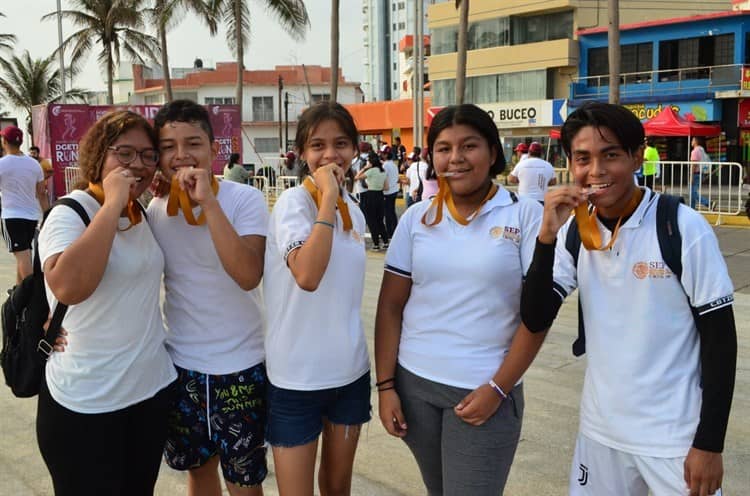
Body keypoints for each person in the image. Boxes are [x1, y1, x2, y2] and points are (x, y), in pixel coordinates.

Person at [523, 101, 737, 496]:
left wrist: (709, 443)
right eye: (583, 158)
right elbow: (535, 316)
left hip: (673, 440)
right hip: (600, 435)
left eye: (611, 155)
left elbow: (721, 340)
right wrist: (546, 236)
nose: (597, 171)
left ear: (638, 156)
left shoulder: (682, 227)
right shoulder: (576, 231)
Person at [375, 104, 546, 495]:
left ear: (492, 151)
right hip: (415, 387)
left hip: (482, 391)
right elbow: (390, 306)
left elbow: (537, 317)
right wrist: (386, 387)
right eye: (443, 148)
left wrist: (499, 389)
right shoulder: (416, 218)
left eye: (469, 146)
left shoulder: (525, 216)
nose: (455, 159)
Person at [36, 110, 177, 495]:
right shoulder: (71, 211)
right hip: (86, 401)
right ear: (99, 156)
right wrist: (113, 201)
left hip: (148, 393)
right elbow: (69, 287)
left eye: (148, 156)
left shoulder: (141, 214)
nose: (138, 165)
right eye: (125, 153)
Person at [149, 100, 270, 496]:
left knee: (244, 483)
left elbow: (248, 275)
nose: (181, 155)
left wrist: (209, 203)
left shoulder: (243, 200)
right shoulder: (153, 210)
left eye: (193, 143)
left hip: (242, 366)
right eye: (168, 146)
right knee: (199, 475)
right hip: (182, 366)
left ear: (214, 149)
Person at [264, 101, 370, 496]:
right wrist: (327, 196)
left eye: (341, 143)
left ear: (355, 148)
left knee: (337, 487)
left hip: (349, 374)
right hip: (295, 379)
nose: (330, 155)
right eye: (318, 145)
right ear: (303, 154)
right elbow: (307, 274)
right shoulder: (294, 204)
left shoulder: (354, 212)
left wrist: (334, 199)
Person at [0, 126, 49, 283]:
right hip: (31, 217)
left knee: (23, 256)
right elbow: (41, 193)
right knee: (24, 254)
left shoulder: (2, 164)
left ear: (4, 141)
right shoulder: (34, 164)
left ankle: (31, 294)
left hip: (11, 216)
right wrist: (47, 215)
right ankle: (18, 293)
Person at [355, 150, 388, 250]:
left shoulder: (371, 171)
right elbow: (386, 187)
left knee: (371, 220)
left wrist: (365, 168)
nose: (367, 163)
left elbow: (357, 177)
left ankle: (376, 244)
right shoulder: (383, 171)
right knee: (380, 220)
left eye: (368, 161)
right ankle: (386, 241)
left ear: (371, 162)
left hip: (371, 195)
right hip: (380, 195)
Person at [380, 145, 400, 242]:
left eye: (382, 153)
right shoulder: (394, 164)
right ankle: (395, 230)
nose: (381, 155)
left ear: (385, 154)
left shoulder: (385, 166)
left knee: (387, 213)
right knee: (392, 211)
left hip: (387, 192)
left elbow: (383, 178)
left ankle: (390, 233)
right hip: (394, 190)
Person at [690, 136, 713, 210]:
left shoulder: (695, 151)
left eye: (693, 140)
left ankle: (708, 203)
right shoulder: (701, 150)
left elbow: (694, 164)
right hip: (701, 173)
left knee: (693, 193)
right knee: (692, 192)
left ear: (696, 141)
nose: (691, 141)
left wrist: (691, 176)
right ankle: (692, 209)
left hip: (696, 173)